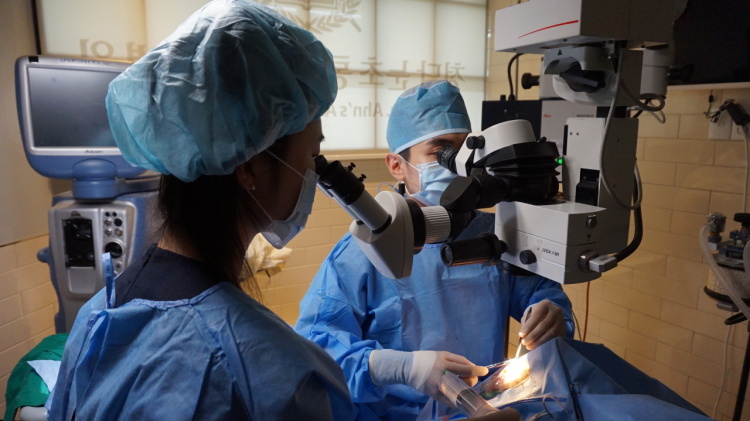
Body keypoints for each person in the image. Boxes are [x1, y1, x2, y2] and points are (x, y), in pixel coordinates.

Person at [46, 2, 352, 420]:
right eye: (311, 154)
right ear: (249, 167)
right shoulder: (278, 373)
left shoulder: (97, 315)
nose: (313, 173)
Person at [295, 80, 575, 420]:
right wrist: (403, 368)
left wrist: (552, 315)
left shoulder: (498, 233)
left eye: (463, 149)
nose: (457, 164)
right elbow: (316, 350)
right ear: (396, 165)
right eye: (440, 152)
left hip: (484, 410)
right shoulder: (360, 254)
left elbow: (540, 293)